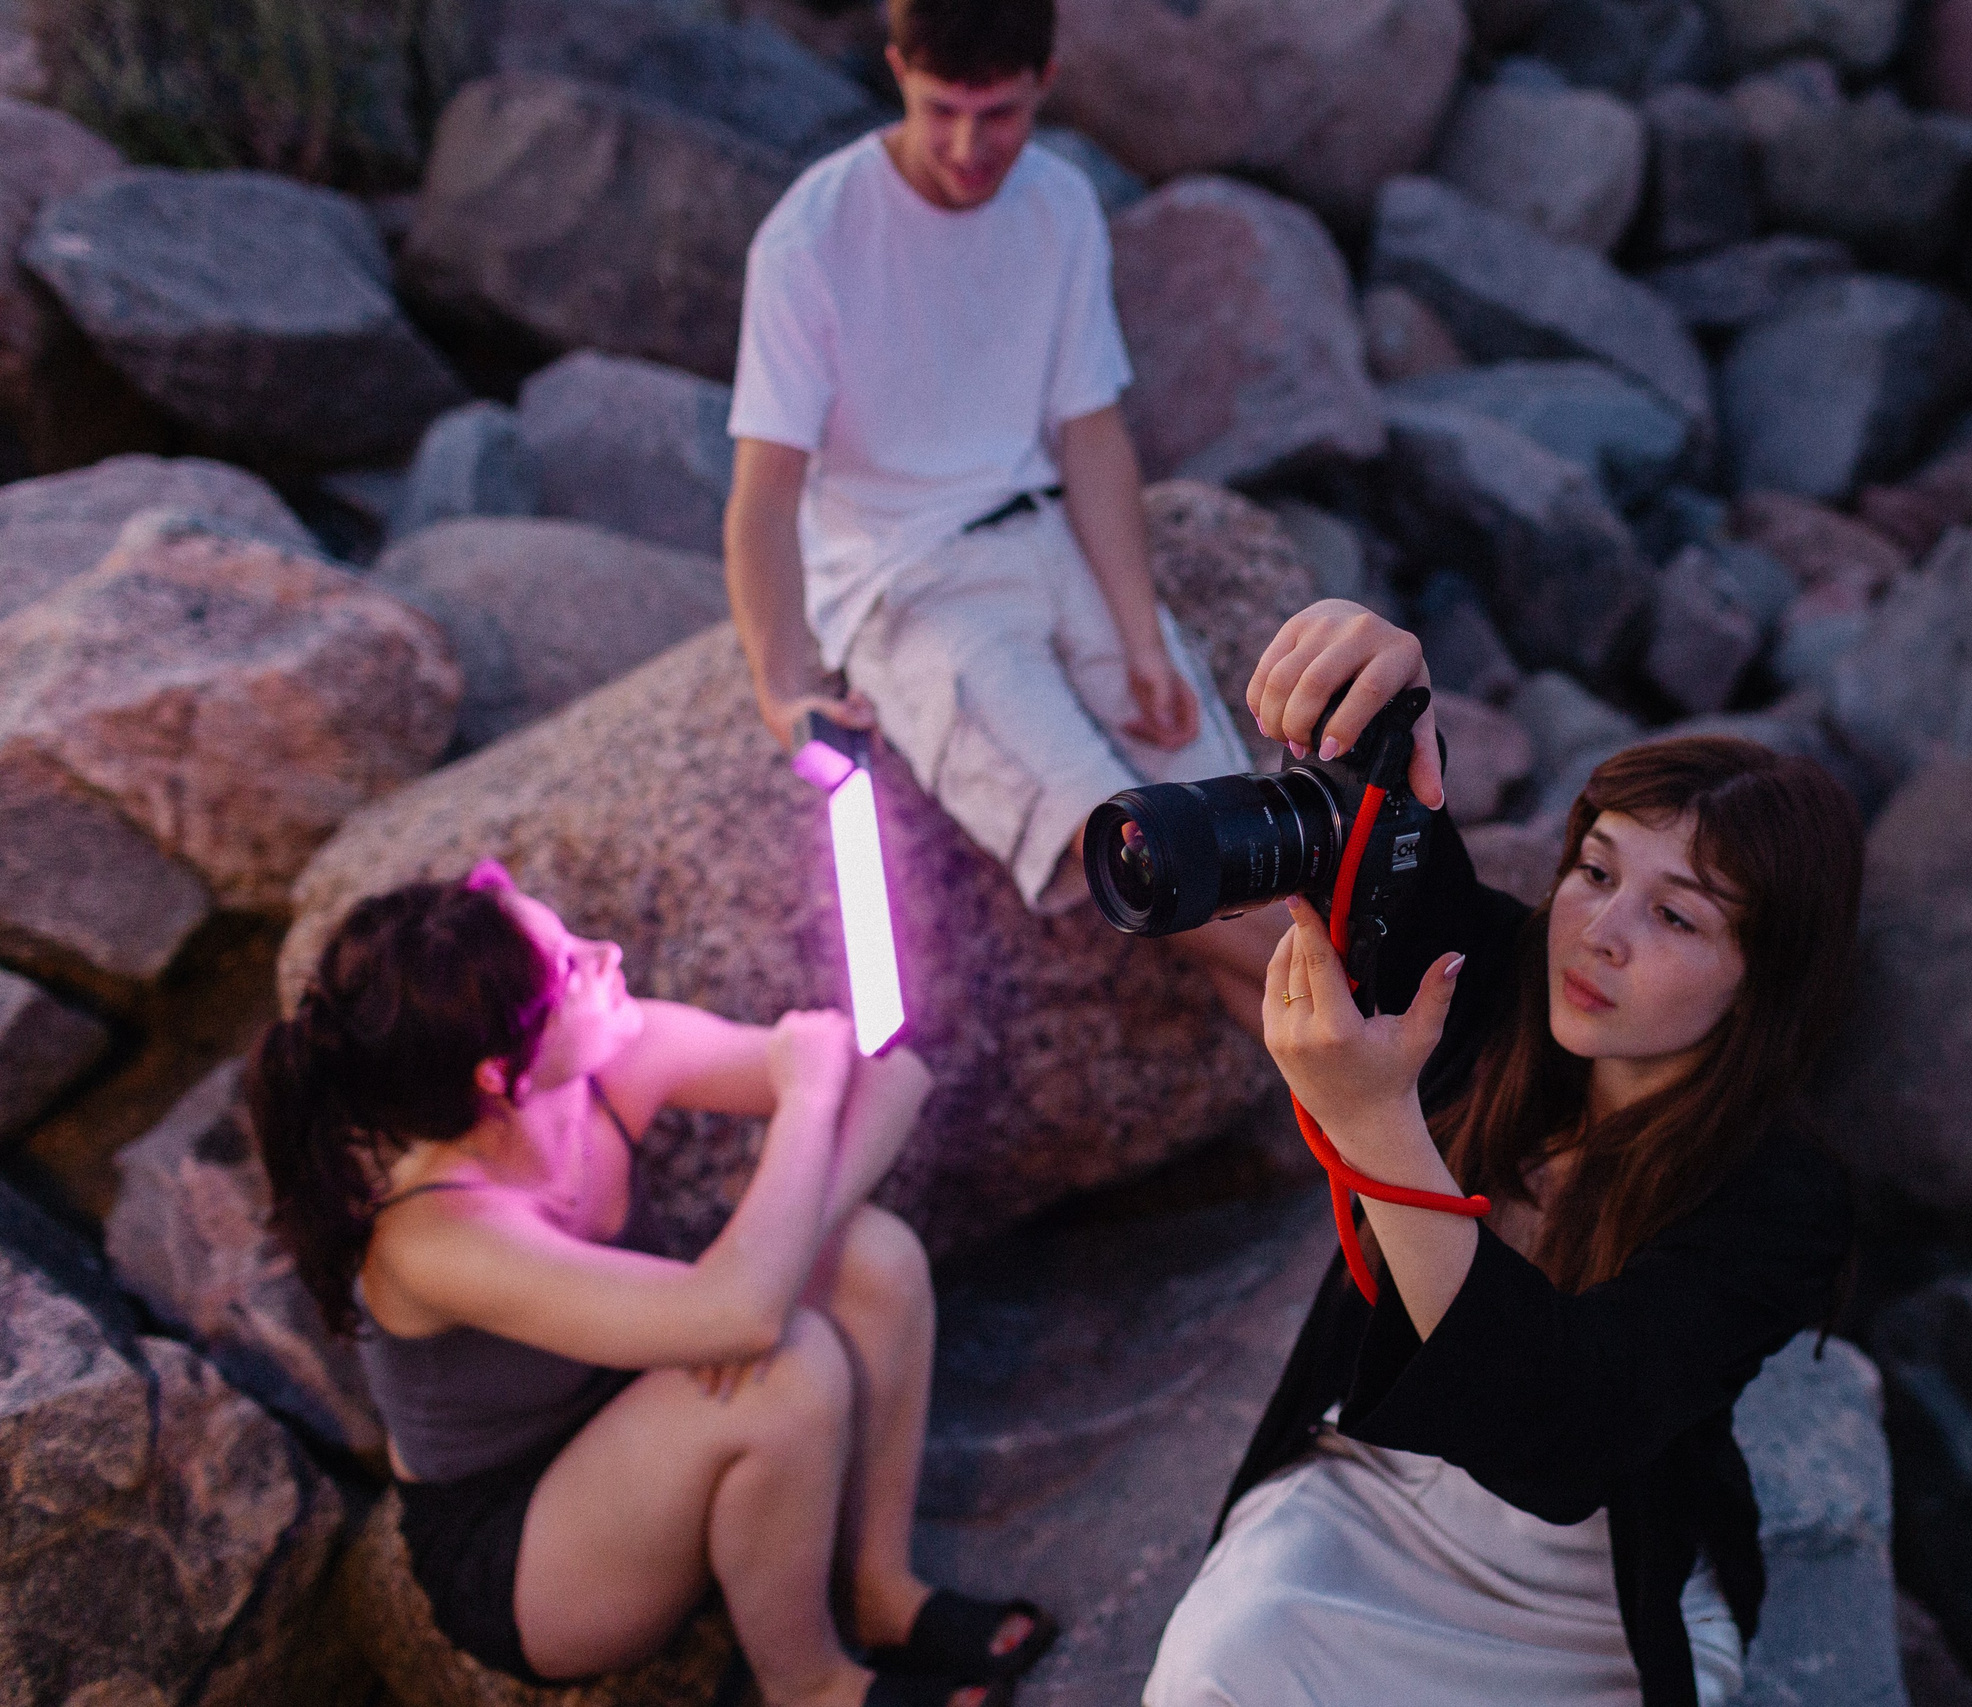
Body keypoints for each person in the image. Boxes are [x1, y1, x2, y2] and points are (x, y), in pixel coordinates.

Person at [1142, 603, 1866, 1707]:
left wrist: (1379, 1122)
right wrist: (1379, 689)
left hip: (1591, 1584)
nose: (1600, 933)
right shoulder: (1491, 975)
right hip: (1372, 1494)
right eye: (1592, 869)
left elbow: (1564, 1432)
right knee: (1222, 1664)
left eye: (1676, 917)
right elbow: (1393, 855)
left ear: (1759, 982)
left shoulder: (1783, 1200)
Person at [249, 862, 1056, 1707]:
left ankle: (880, 1590)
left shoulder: (616, 1060)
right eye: (569, 967)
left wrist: (780, 1258)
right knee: (783, 1369)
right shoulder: (436, 1235)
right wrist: (806, 1100)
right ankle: (812, 1686)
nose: (607, 952)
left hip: (649, 1410)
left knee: (875, 1258)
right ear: (500, 1074)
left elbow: (892, 1077)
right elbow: (741, 1312)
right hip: (526, 1547)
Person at [722, 0, 1285, 1030]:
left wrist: (1135, 632)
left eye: (1000, 114)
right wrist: (782, 685)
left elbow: (1091, 433)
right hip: (909, 587)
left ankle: (1390, 1144)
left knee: (1234, 849)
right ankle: (1405, 1035)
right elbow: (765, 488)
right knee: (1137, 852)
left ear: (1047, 82)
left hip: (1052, 544)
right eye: (942, 109)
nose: (968, 146)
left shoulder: (1058, 203)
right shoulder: (812, 233)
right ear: (895, 70)